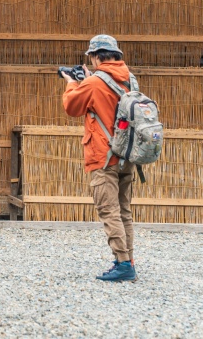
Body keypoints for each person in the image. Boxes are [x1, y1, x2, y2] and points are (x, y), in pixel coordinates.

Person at [61, 34, 138, 283]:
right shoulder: (130, 79)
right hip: (127, 156)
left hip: (103, 157)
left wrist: (72, 83)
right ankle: (128, 260)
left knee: (109, 211)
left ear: (95, 57)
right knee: (124, 211)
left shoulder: (94, 83)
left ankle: (123, 264)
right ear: (116, 55)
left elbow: (72, 107)